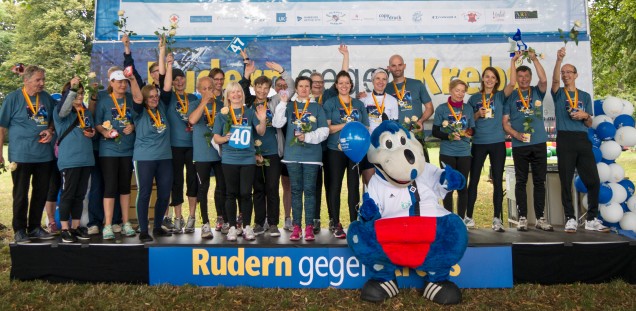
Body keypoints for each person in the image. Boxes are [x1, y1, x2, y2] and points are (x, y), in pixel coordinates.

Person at [551, 47, 608, 233]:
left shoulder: (584, 96)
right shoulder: (558, 93)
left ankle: (592, 219)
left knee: (593, 180)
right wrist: (559, 59)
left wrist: (585, 115)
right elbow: (554, 81)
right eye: (563, 72)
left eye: (569, 72)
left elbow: (590, 123)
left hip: (582, 139)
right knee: (566, 180)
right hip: (565, 139)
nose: (566, 75)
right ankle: (570, 219)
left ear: (576, 75)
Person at [0, 65, 56, 243]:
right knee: (21, 193)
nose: (42, 83)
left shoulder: (46, 98)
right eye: (38, 80)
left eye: (43, 79)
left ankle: (34, 227)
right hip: (21, 154)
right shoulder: (13, 98)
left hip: (43, 155)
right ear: (26, 80)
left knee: (41, 192)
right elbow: (1, 127)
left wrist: (50, 130)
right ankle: (19, 230)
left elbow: (54, 120)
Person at [465, 53, 519, 232]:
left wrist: (512, 61)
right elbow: (467, 121)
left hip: (497, 143)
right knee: (473, 181)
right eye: (487, 76)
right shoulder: (473, 99)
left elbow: (512, 83)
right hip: (478, 143)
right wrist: (477, 114)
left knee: (497, 180)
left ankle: (497, 219)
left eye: (493, 77)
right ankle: (469, 217)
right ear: (483, 79)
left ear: (496, 81)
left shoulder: (500, 97)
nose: (489, 80)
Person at [272, 76, 329, 241]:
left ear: (310, 89)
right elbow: (277, 123)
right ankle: (296, 226)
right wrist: (282, 103)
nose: (304, 89)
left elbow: (324, 131)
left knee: (310, 191)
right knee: (296, 191)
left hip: (312, 156)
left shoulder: (317, 108)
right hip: (292, 156)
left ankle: (309, 227)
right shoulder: (289, 106)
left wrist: (308, 137)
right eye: (301, 86)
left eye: (307, 86)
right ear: (296, 89)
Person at [240, 56, 290, 237]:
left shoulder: (274, 102)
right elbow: (242, 88)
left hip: (273, 152)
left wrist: (282, 71)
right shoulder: (248, 103)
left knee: (272, 188)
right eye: (259, 87)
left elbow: (290, 88)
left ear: (270, 90)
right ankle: (259, 223)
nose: (262, 90)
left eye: (265, 88)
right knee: (258, 189)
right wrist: (246, 75)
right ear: (255, 88)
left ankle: (273, 223)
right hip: (253, 153)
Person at [502, 50, 551, 232]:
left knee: (539, 181)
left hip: (538, 142)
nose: (523, 79)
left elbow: (544, 80)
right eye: (520, 76)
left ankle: (540, 218)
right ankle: (522, 217)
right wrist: (515, 134)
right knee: (520, 181)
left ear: (530, 77)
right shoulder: (511, 96)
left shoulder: (537, 91)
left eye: (526, 76)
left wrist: (534, 59)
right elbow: (505, 122)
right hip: (519, 144)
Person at [212, 82, 267, 241]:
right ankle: (231, 227)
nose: (236, 95)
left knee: (245, 193)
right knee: (230, 194)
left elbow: (261, 132)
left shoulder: (249, 113)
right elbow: (216, 137)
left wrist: (262, 120)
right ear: (227, 96)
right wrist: (224, 138)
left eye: (238, 92)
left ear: (242, 94)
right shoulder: (222, 114)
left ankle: (247, 226)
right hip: (229, 159)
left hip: (247, 158)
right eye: (232, 92)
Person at [95, 69, 142, 239]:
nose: (122, 84)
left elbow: (138, 118)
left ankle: (125, 222)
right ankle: (107, 224)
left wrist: (133, 126)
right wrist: (104, 132)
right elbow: (97, 123)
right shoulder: (104, 101)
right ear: (111, 83)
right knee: (110, 186)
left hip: (128, 149)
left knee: (124, 187)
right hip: (109, 150)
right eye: (119, 81)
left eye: (125, 82)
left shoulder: (131, 99)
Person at [323, 70, 369, 239]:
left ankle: (354, 222)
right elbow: (327, 128)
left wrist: (352, 128)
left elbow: (365, 127)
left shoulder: (359, 104)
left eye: (347, 83)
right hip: (335, 150)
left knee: (353, 187)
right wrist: (346, 125)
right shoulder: (330, 103)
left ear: (351, 85)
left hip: (355, 151)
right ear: (336, 85)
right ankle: (336, 223)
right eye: (340, 83)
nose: (344, 86)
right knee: (334, 187)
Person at [134, 63, 176, 242]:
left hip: (165, 157)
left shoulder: (162, 108)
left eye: (155, 96)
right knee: (144, 193)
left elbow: (166, 88)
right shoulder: (138, 112)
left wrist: (169, 65)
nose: (154, 99)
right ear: (144, 98)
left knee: (165, 193)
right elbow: (136, 94)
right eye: (150, 97)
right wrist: (131, 79)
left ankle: (157, 226)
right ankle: (144, 230)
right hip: (144, 158)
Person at [54, 77, 96, 243]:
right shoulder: (61, 113)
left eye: (81, 93)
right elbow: (64, 110)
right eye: (76, 93)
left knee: (80, 195)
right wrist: (72, 89)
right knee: (68, 195)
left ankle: (76, 226)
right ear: (68, 95)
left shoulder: (85, 112)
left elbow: (91, 129)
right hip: (69, 161)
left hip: (86, 159)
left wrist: (92, 133)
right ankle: (65, 229)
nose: (79, 96)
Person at [161, 51, 199, 234]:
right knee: (176, 182)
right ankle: (177, 217)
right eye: (175, 79)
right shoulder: (168, 98)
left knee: (192, 181)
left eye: (181, 79)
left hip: (192, 146)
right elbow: (165, 83)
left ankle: (192, 217)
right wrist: (167, 62)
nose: (179, 82)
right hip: (174, 146)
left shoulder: (193, 98)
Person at [432, 79, 475, 217]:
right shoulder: (442, 109)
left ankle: (461, 219)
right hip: (447, 153)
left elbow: (473, 130)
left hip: (464, 153)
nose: (460, 94)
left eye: (463, 91)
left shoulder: (468, 108)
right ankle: (449, 218)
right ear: (451, 91)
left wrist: (465, 133)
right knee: (448, 187)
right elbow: (435, 131)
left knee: (462, 187)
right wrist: (449, 136)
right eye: (457, 90)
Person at [188, 76, 225, 239]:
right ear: (199, 90)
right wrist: (204, 101)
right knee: (203, 189)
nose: (209, 91)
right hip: (202, 154)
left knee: (222, 187)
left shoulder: (222, 106)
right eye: (205, 88)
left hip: (220, 153)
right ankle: (205, 224)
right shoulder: (195, 104)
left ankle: (222, 218)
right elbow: (192, 120)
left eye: (211, 87)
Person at [385, 54, 434, 162]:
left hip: (416, 136)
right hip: (396, 139)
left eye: (400, 65)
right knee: (400, 173)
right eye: (393, 65)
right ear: (389, 68)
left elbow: (429, 107)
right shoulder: (386, 88)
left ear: (405, 66)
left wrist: (421, 121)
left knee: (424, 170)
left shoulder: (417, 84)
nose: (397, 68)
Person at [359, 68, 399, 184]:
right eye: (378, 78)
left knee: (385, 179)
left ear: (387, 81)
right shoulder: (364, 100)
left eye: (384, 79)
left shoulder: (392, 101)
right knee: (368, 179)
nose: (381, 81)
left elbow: (395, 124)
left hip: (386, 145)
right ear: (372, 80)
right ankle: (368, 201)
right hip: (368, 144)